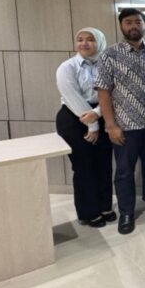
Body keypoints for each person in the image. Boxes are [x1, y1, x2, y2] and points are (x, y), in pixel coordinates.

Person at [96, 8, 145, 235]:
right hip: (125, 125)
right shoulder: (109, 55)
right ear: (121, 26)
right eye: (128, 22)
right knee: (124, 171)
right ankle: (126, 212)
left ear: (144, 25)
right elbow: (103, 91)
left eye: (138, 22)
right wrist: (110, 125)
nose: (133, 26)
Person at [55, 27, 114, 228]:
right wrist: (93, 124)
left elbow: (114, 93)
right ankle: (88, 212)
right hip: (73, 119)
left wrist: (97, 114)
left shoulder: (108, 65)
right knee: (83, 166)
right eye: (80, 39)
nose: (84, 43)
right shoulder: (67, 67)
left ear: (100, 42)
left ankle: (105, 206)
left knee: (103, 163)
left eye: (90, 39)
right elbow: (72, 96)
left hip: (102, 113)